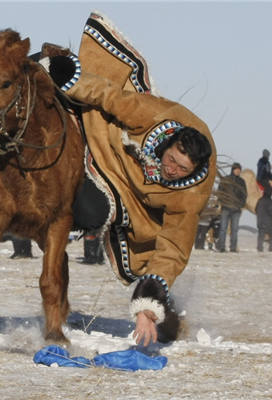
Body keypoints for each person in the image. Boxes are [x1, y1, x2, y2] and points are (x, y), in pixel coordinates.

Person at [35, 12, 217, 346]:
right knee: (53, 81)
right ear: (169, 144)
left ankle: (159, 307)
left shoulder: (189, 195)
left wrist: (146, 309)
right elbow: (111, 97)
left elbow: (175, 247)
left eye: (182, 170)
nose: (173, 170)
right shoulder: (153, 115)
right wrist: (70, 79)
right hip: (114, 144)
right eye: (173, 161)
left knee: (128, 245)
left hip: (142, 201)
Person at [216, 162, 247, 253]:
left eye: (239, 169)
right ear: (233, 169)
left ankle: (233, 247)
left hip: (236, 209)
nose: (238, 171)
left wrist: (241, 204)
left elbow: (244, 194)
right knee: (223, 228)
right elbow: (220, 192)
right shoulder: (226, 179)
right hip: (226, 208)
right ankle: (221, 247)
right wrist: (221, 202)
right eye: (236, 169)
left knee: (234, 229)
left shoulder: (242, 182)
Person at [256, 184, 272, 252]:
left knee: (261, 235)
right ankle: (271, 248)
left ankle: (259, 248)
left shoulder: (260, 200)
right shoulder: (269, 201)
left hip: (260, 222)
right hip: (268, 223)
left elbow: (256, 209)